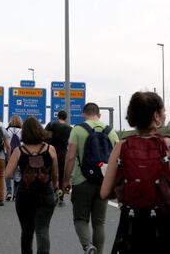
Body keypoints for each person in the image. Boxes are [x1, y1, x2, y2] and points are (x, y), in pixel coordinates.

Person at [100, 92, 170, 253]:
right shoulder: (167, 145)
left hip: (130, 229)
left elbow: (104, 193)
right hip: (163, 227)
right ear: (156, 116)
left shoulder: (121, 146)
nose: (165, 115)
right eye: (163, 112)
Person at [64, 103, 119, 254]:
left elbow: (70, 158)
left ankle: (88, 246)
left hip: (82, 181)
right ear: (99, 115)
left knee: (80, 219)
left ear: (84, 114)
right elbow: (117, 160)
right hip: (103, 182)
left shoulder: (78, 129)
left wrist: (65, 180)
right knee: (99, 222)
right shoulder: (111, 131)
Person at [5, 116, 59, 254]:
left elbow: (7, 174)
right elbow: (55, 174)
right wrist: (56, 186)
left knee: (27, 231)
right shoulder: (50, 149)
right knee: (43, 229)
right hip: (45, 194)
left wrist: (21, 170)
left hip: (25, 195)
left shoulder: (18, 151)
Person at [45, 110, 72, 206]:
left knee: (48, 173)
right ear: (66, 118)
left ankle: (49, 194)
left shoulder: (51, 125)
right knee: (61, 175)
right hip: (62, 153)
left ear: (58, 116)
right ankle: (61, 198)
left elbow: (45, 137)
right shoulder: (69, 128)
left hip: (50, 152)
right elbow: (70, 143)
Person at [5, 115, 23, 201]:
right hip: (19, 154)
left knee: (8, 173)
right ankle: (16, 194)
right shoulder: (22, 131)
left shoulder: (7, 130)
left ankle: (8, 192)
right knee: (17, 174)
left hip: (9, 153)